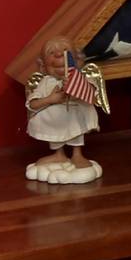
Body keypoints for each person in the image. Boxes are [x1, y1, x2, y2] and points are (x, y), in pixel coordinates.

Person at [25, 36, 108, 184]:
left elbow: (92, 96)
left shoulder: (79, 78)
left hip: (75, 114)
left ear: (76, 60)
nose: (58, 56)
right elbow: (32, 104)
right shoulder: (45, 82)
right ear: (43, 65)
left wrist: (76, 91)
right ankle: (59, 154)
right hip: (54, 119)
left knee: (74, 120)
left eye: (64, 51)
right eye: (52, 53)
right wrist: (50, 99)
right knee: (53, 124)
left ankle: (77, 154)